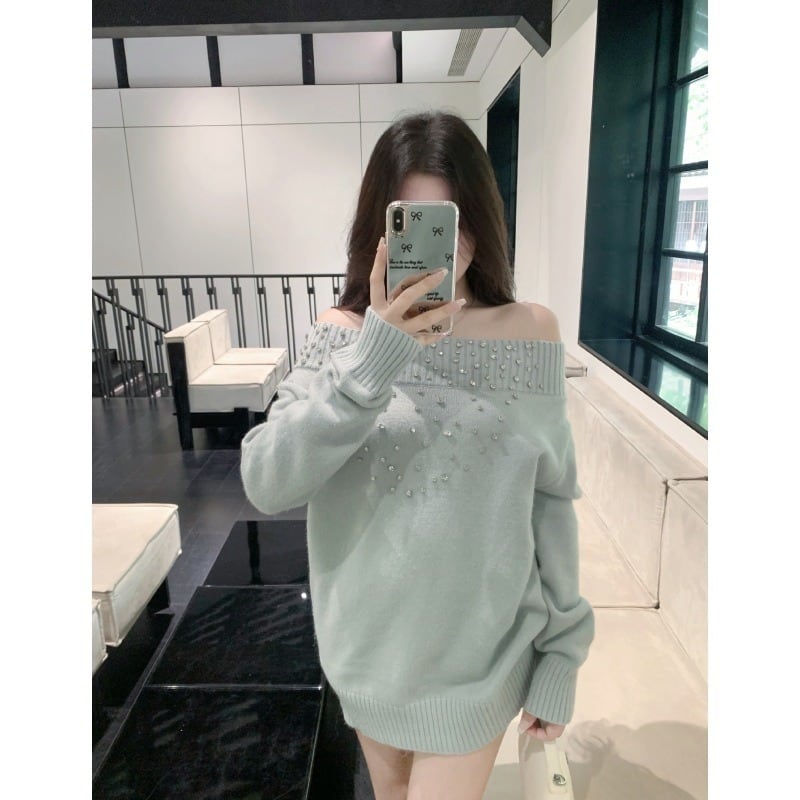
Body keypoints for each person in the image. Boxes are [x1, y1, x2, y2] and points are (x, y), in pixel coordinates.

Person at [240, 110, 595, 800]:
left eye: (451, 222)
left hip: (480, 664)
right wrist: (374, 359)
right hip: (365, 658)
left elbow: (552, 501)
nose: (437, 248)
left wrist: (562, 655)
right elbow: (266, 480)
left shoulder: (529, 332)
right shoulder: (341, 338)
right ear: (380, 234)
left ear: (480, 224)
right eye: (412, 224)